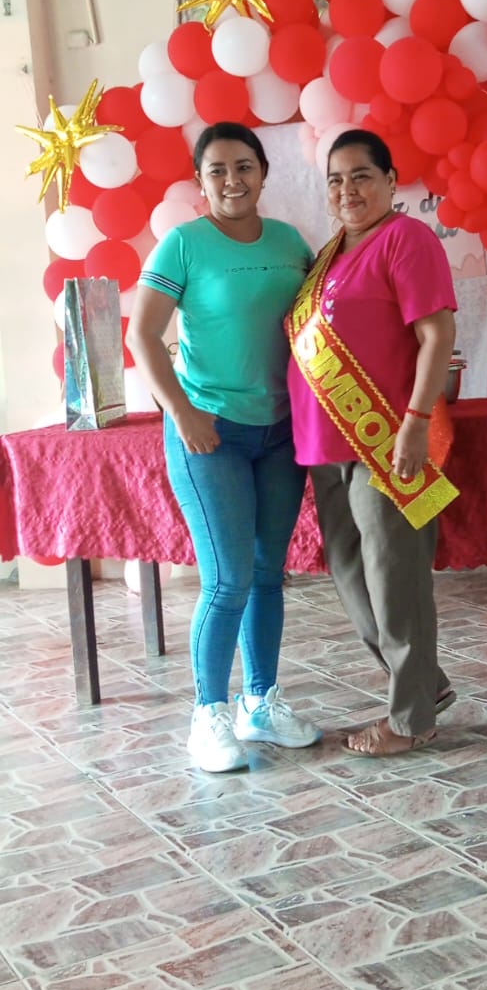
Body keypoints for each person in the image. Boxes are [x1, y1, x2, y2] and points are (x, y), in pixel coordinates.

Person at [127, 121, 321, 773]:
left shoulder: (291, 242)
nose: (232, 180)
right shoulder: (183, 245)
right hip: (210, 432)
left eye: (244, 166)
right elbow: (143, 337)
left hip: (281, 432)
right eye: (217, 170)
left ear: (263, 173)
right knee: (228, 579)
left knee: (267, 573)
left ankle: (259, 702)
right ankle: (207, 713)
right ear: (200, 181)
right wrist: (182, 413)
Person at [287, 128, 458, 757]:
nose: (347, 190)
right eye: (335, 179)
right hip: (324, 445)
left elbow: (436, 336)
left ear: (390, 180)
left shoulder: (407, 239)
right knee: (352, 577)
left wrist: (414, 422)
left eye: (361, 175)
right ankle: (426, 687)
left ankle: (411, 721)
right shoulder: (330, 254)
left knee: (394, 579)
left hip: (384, 440)